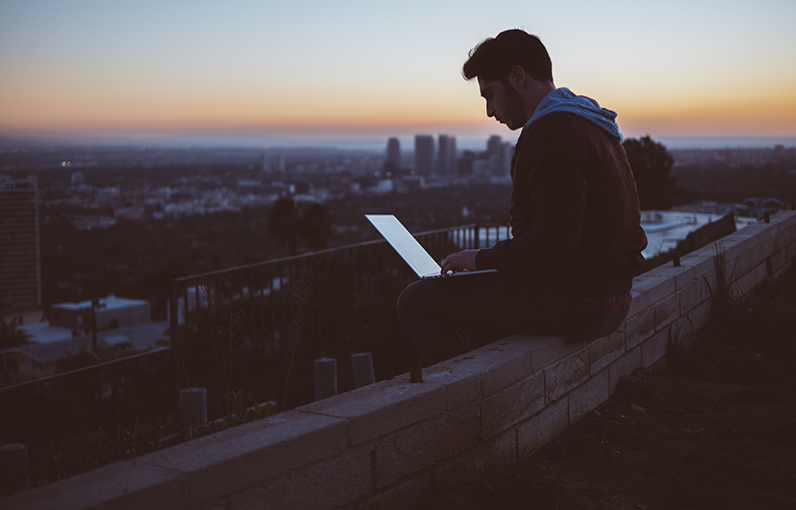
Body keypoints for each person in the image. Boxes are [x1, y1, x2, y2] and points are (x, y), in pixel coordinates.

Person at [397, 29, 648, 366]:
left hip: (581, 302)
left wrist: (482, 259)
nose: (489, 111)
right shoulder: (591, 123)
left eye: (490, 95)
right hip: (612, 295)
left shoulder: (553, 131)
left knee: (415, 300)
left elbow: (555, 241)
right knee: (478, 298)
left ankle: (466, 399)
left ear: (517, 76)